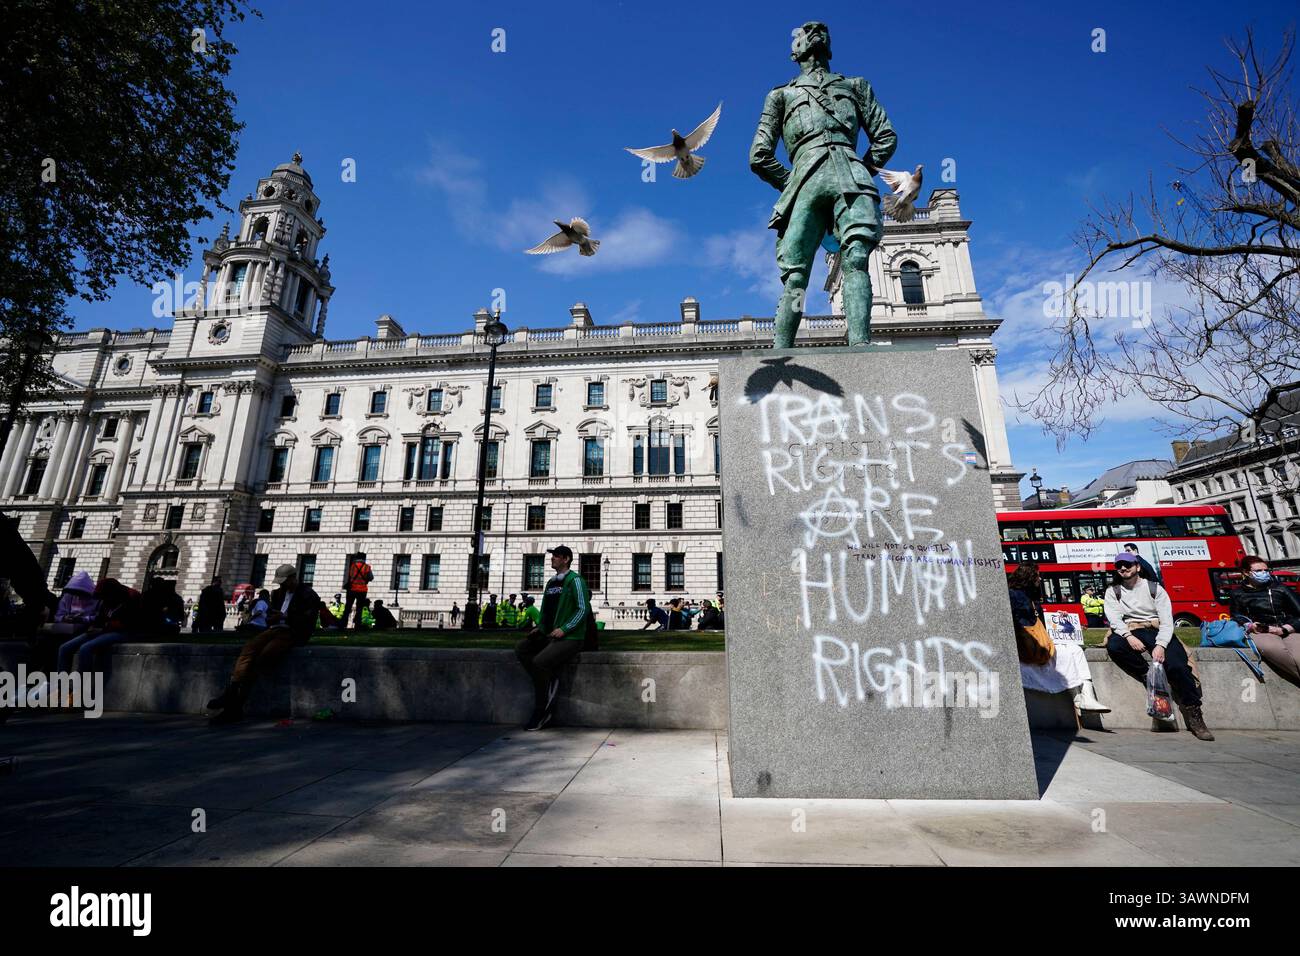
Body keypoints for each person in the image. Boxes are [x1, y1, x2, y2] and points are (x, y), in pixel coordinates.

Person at [1104, 551, 1214, 740]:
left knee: (1178, 665)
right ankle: (1148, 676)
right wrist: (1128, 636)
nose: (1123, 568)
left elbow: (1166, 621)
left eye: (1127, 564)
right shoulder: (1113, 591)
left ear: (1138, 567)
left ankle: (1193, 711)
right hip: (1131, 629)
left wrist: (1161, 645)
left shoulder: (1155, 588)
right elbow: (1114, 619)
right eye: (1119, 565)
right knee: (1114, 646)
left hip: (1156, 628)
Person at [206, 564, 322, 725]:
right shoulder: (279, 593)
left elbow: (308, 621)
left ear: (293, 578)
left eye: (284, 581)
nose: (281, 585)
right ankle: (231, 692)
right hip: (275, 629)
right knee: (248, 649)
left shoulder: (308, 595)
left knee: (263, 657)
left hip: (293, 633)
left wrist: (284, 617)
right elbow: (271, 613)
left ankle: (234, 706)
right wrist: (271, 618)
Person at [1008, 563, 1109, 715]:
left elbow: (1039, 625)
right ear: (1028, 577)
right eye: (1037, 575)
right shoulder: (1012, 595)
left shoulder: (1032, 598)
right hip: (1025, 646)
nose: (1040, 579)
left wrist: (1058, 619)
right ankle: (1081, 699)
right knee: (1070, 654)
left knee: (1075, 650)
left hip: (1036, 645)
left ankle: (1086, 696)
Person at [514, 546, 594, 731]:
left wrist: (564, 629)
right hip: (549, 634)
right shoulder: (551, 583)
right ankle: (547, 679)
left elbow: (583, 609)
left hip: (571, 637)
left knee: (539, 662)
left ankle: (542, 710)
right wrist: (540, 628)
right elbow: (547, 611)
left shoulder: (575, 581)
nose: (552, 559)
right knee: (521, 648)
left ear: (566, 559)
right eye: (552, 556)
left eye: (556, 556)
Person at [1227, 555, 1300, 688]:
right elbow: (1236, 615)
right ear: (1246, 572)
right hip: (1261, 632)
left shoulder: (1280, 588)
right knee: (1273, 649)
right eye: (1259, 571)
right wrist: (1249, 625)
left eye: (1266, 570)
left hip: (1288, 628)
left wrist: (1285, 629)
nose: (1264, 574)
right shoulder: (1237, 594)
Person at [56, 578, 143, 676]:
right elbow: (100, 617)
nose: (102, 599)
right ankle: (61, 684)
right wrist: (93, 627)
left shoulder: (131, 597)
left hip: (125, 632)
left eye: (104, 596)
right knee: (64, 648)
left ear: (111, 593)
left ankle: (80, 685)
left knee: (85, 648)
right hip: (105, 629)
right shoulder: (107, 599)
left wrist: (103, 627)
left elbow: (130, 623)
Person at [342, 553, 373, 629]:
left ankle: (343, 624)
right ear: (364, 558)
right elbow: (371, 577)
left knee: (348, 607)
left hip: (352, 589)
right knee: (359, 608)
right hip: (362, 590)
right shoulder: (367, 567)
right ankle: (357, 624)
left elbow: (350, 576)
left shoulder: (352, 566)